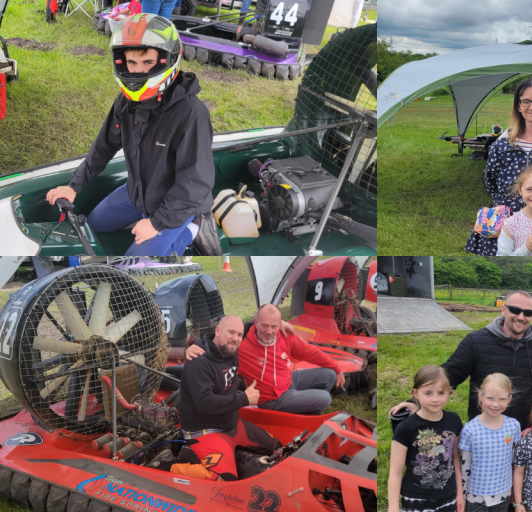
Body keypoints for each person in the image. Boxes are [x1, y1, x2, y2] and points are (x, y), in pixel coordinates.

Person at [45, 15, 220, 256]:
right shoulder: (125, 102)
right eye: (132, 63)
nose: (138, 71)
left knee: (134, 262)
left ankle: (193, 228)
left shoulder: (192, 114)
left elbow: (195, 184)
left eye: (148, 62)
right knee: (91, 227)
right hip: (137, 192)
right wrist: (74, 186)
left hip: (176, 203)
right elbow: (103, 146)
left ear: (167, 59)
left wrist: (156, 223)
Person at [389, 290, 532, 430]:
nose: (521, 317)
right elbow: (450, 374)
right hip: (485, 428)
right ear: (503, 309)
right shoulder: (476, 341)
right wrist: (415, 403)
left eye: (528, 312)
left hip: (523, 429)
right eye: (515, 310)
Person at [466, 79, 532, 256]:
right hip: (505, 224)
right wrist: (504, 205)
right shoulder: (502, 145)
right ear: (518, 106)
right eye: (525, 101)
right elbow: (489, 179)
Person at [176, 316, 282, 481]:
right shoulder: (199, 361)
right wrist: (244, 399)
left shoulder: (230, 347)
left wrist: (277, 323)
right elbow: (204, 403)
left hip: (231, 424)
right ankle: (167, 467)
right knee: (225, 480)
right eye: (231, 332)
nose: (235, 338)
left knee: (279, 449)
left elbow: (251, 326)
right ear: (217, 331)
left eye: (239, 334)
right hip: (204, 432)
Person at [187, 304, 346, 414]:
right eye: (264, 326)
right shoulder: (241, 344)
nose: (269, 331)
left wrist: (337, 368)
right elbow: (216, 343)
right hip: (272, 399)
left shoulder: (285, 335)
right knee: (325, 398)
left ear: (280, 324)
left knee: (330, 374)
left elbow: (310, 352)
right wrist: (194, 346)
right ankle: (303, 408)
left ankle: (305, 406)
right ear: (255, 323)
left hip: (289, 381)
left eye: (274, 326)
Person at [389, 366, 463, 512]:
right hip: (416, 499)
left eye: (441, 393)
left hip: (448, 497)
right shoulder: (405, 428)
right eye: (428, 393)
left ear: (449, 392)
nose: (435, 399)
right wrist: (393, 507)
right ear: (415, 393)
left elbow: (456, 459)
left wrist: (460, 494)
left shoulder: (454, 421)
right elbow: (395, 472)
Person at [458, 373, 521, 512]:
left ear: (509, 399)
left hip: (503, 493)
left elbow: (514, 461)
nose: (495, 404)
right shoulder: (470, 429)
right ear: (480, 396)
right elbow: (465, 466)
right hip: (475, 496)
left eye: (501, 399)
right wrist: (461, 496)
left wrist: (514, 491)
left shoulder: (513, 426)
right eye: (490, 398)